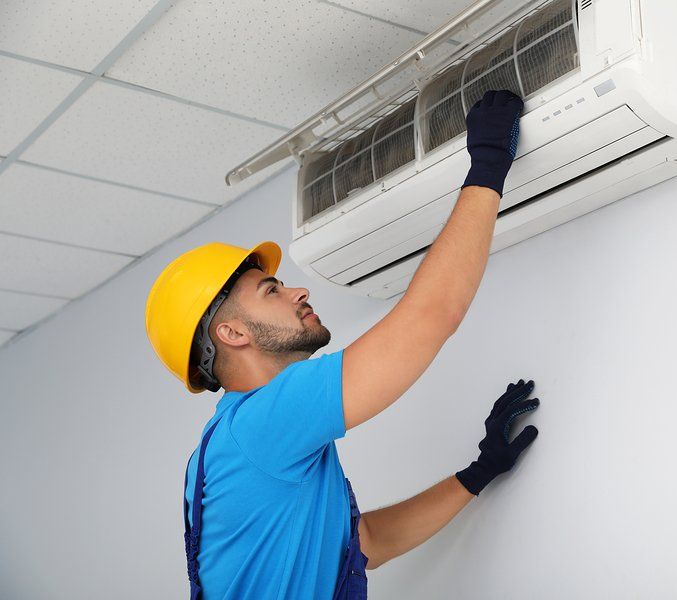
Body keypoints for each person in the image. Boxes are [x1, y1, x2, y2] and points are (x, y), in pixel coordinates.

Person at [145, 89, 541, 599]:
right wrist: (489, 163)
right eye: (271, 290)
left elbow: (367, 542)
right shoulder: (263, 422)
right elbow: (430, 317)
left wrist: (478, 472)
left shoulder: (242, 444)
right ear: (233, 334)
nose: (297, 289)